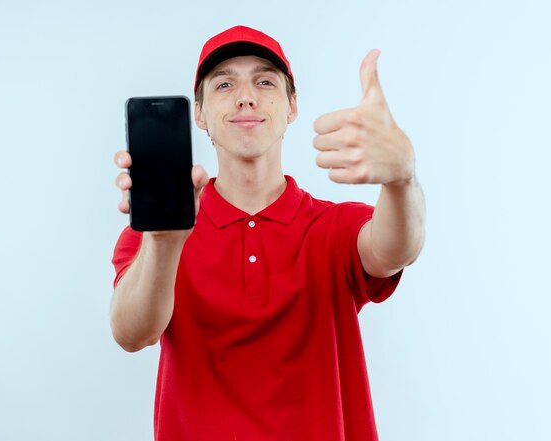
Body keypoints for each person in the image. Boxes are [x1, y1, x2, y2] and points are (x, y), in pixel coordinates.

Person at [110, 25, 425, 441]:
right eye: (224, 83)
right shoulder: (153, 236)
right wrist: (164, 244)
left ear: (291, 106)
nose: (246, 95)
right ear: (200, 113)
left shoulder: (333, 225)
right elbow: (132, 334)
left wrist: (402, 180)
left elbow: (394, 249)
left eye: (264, 81)